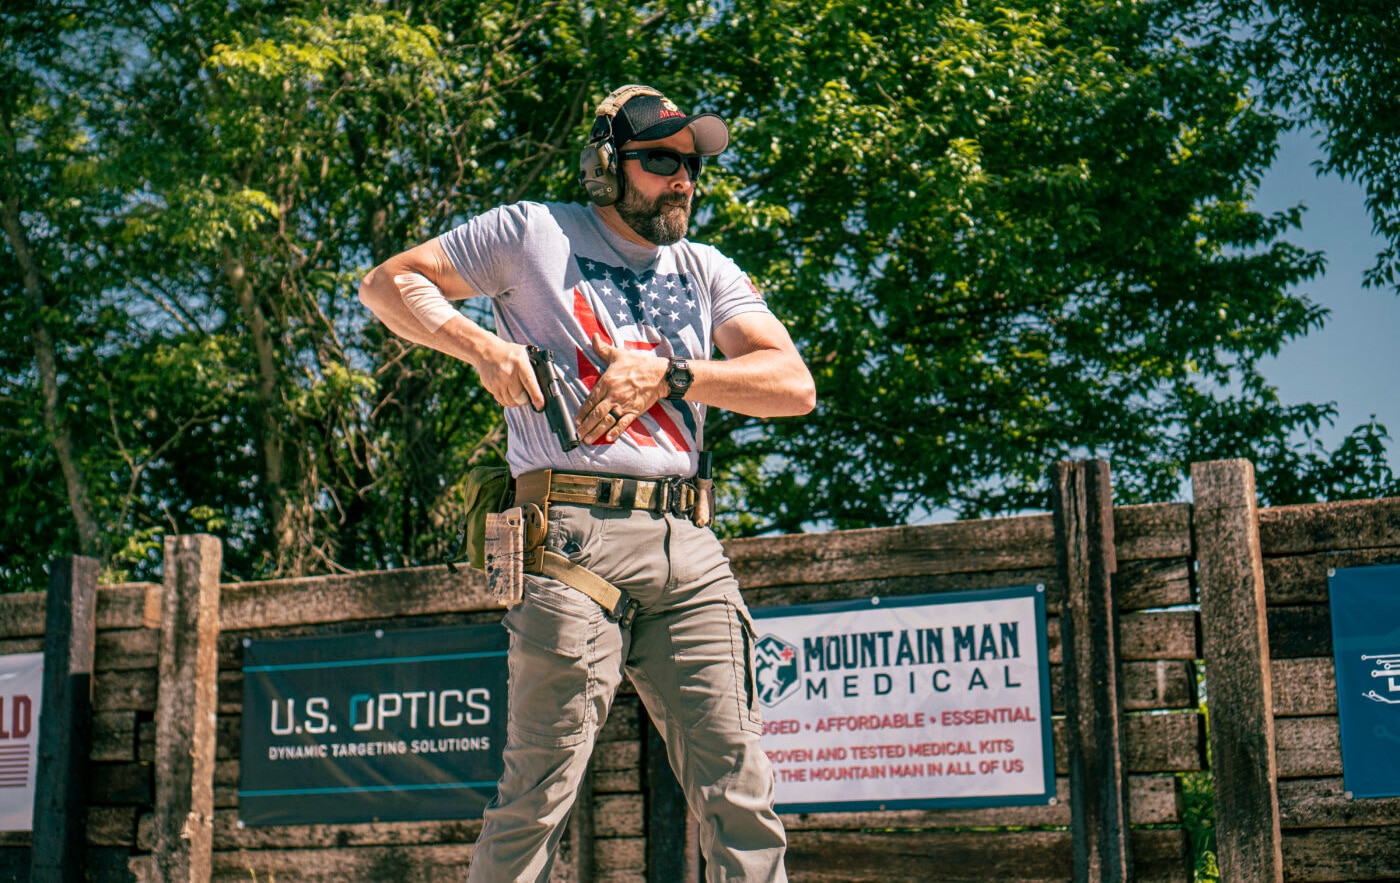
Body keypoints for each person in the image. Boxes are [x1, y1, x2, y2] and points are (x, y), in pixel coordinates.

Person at [359, 83, 815, 882]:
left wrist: (672, 375)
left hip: (691, 546)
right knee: (538, 794)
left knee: (741, 787)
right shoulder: (531, 232)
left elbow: (792, 384)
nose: (683, 179)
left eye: (692, 163)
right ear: (608, 166)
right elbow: (388, 284)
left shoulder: (706, 269)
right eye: (661, 161)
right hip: (569, 542)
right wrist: (480, 347)